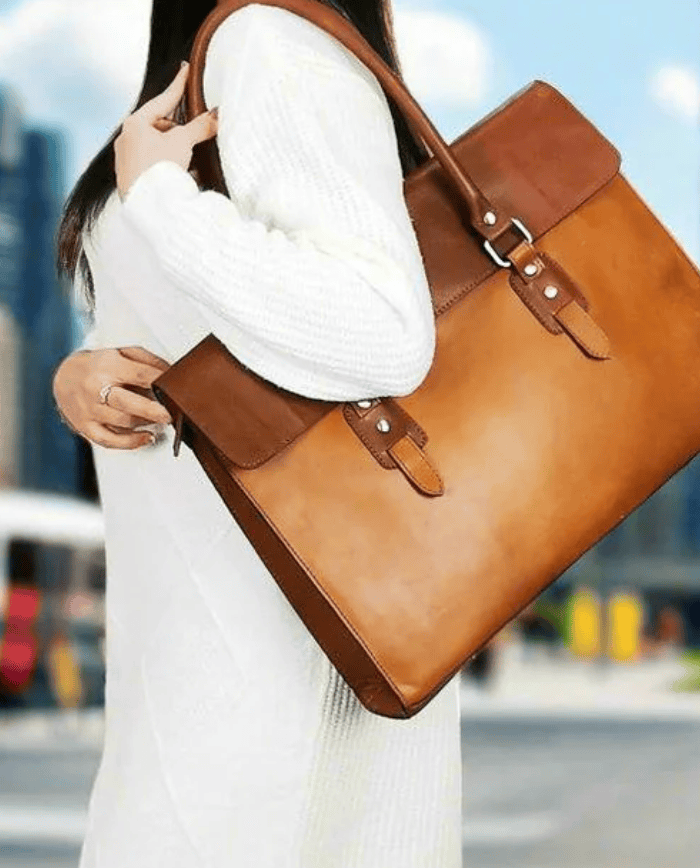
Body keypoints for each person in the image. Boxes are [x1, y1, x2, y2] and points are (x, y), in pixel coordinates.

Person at [51, 1, 462, 865]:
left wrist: (158, 195)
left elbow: (378, 326)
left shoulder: (271, 43)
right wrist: (85, 371)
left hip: (271, 654)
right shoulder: (219, 55)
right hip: (200, 637)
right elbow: (209, 315)